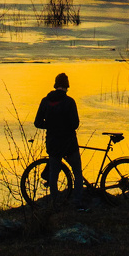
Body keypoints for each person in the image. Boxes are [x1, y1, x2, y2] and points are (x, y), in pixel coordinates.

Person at [34, 71, 84, 206]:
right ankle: (77, 201)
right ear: (67, 86)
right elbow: (75, 124)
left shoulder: (45, 101)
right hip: (69, 144)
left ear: (55, 85)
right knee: (78, 174)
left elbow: (37, 123)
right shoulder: (70, 102)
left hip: (53, 143)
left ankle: (55, 203)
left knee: (53, 175)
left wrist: (50, 125)